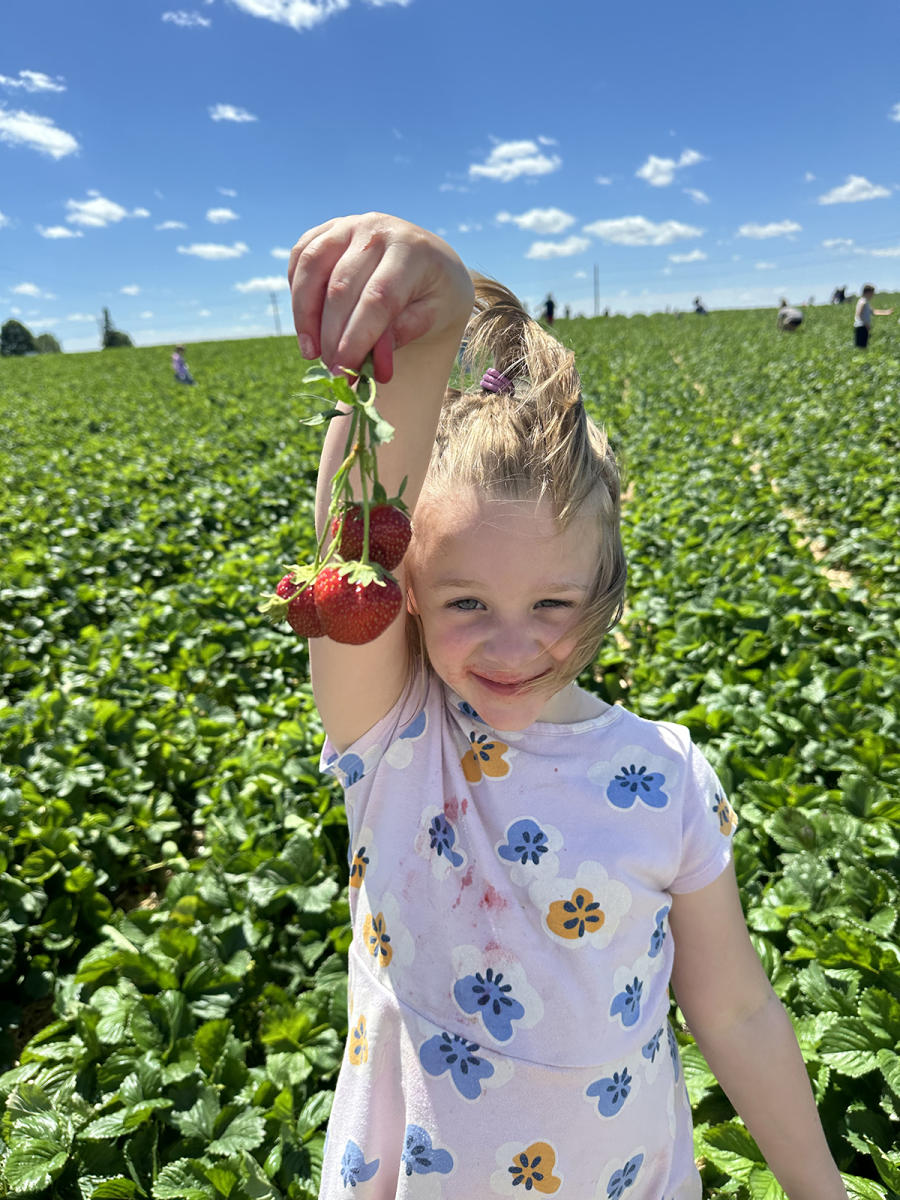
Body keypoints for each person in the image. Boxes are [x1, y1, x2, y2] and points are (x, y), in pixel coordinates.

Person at [289, 213, 848, 1200]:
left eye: (553, 602)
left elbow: (739, 1014)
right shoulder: (400, 742)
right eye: (466, 602)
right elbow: (349, 561)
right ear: (410, 592)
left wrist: (823, 1191)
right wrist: (430, 327)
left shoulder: (668, 779)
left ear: (609, 584)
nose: (512, 644)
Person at [853, 283, 893, 348]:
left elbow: (874, 312)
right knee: (861, 348)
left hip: (863, 327)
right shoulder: (863, 302)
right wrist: (866, 325)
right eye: (872, 293)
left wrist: (886, 312)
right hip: (861, 327)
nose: (873, 295)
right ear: (868, 292)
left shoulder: (865, 301)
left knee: (863, 347)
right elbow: (858, 314)